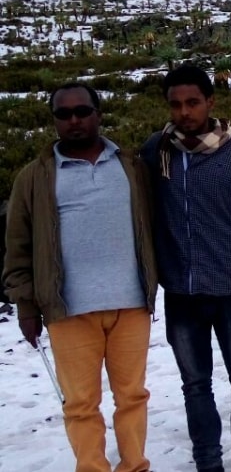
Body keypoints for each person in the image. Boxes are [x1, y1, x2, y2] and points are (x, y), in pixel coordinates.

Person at [2, 83, 157, 472]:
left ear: (98, 112)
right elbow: (18, 246)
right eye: (63, 114)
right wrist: (26, 303)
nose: (74, 120)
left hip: (131, 304)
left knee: (133, 396)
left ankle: (135, 465)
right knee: (80, 404)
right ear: (54, 119)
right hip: (67, 310)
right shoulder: (33, 178)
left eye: (82, 111)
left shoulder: (130, 166)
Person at [141, 64, 231, 472]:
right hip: (183, 294)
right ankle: (207, 462)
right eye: (175, 104)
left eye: (192, 102)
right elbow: (139, 215)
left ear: (210, 102)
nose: (184, 112)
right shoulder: (156, 151)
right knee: (195, 385)